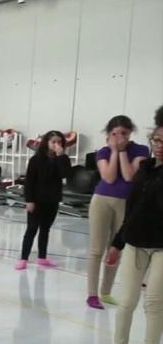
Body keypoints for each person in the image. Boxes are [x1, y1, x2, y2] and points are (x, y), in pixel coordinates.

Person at [106, 106, 163, 344]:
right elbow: (133, 209)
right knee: (126, 300)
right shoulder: (145, 169)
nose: (160, 146)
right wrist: (118, 242)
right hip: (135, 243)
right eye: (158, 140)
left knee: (153, 302)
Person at [86, 115, 149, 309]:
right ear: (108, 134)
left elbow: (130, 176)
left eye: (124, 133)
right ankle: (92, 294)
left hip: (126, 203)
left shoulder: (141, 150)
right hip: (101, 201)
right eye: (115, 133)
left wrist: (122, 152)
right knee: (96, 250)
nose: (120, 136)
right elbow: (110, 177)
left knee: (116, 250)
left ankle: (106, 291)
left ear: (130, 133)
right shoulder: (103, 152)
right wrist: (114, 151)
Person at [15, 131, 72, 270]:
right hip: (37, 199)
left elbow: (65, 174)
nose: (56, 145)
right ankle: (23, 258)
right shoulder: (36, 160)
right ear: (46, 142)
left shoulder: (63, 158)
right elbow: (29, 181)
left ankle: (42, 257)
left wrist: (60, 156)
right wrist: (29, 200)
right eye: (53, 142)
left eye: (59, 142)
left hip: (52, 200)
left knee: (45, 229)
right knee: (32, 229)